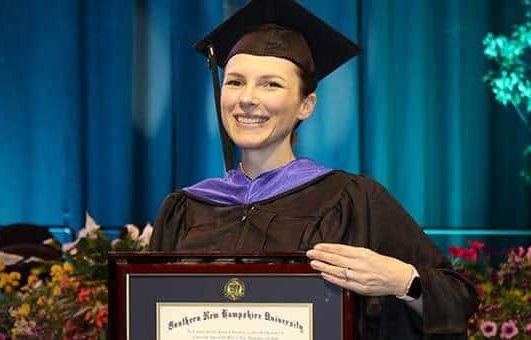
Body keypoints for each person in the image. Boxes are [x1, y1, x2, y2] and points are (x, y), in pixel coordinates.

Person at [148, 0, 477, 338]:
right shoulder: (186, 210)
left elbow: (458, 299)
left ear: (306, 105)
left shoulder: (352, 201)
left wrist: (403, 280)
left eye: (270, 84)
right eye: (234, 82)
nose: (246, 98)